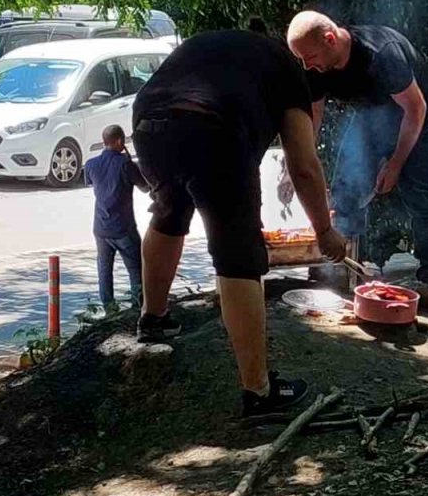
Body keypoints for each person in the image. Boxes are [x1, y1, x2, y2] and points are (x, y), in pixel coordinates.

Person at [132, 30, 346, 416]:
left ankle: (154, 318)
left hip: (149, 121)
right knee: (239, 251)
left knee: (170, 207)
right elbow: (303, 167)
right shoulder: (289, 71)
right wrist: (324, 231)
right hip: (213, 128)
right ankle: (259, 390)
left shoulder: (222, 46)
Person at [285, 12, 428, 307]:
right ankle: (341, 269)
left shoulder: (381, 54)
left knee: (420, 195)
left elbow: (416, 108)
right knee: (345, 187)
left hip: (416, 117)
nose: (307, 66)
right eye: (302, 60)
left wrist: (395, 164)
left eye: (310, 57)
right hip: (372, 116)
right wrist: (297, 159)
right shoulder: (314, 66)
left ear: (330, 39)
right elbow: (314, 114)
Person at [83, 124, 147, 310]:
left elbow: (92, 183)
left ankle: (109, 309)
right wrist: (132, 162)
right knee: (136, 268)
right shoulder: (126, 165)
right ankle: (139, 305)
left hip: (101, 228)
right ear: (119, 141)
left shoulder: (91, 164)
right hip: (123, 228)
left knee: (104, 270)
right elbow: (145, 187)